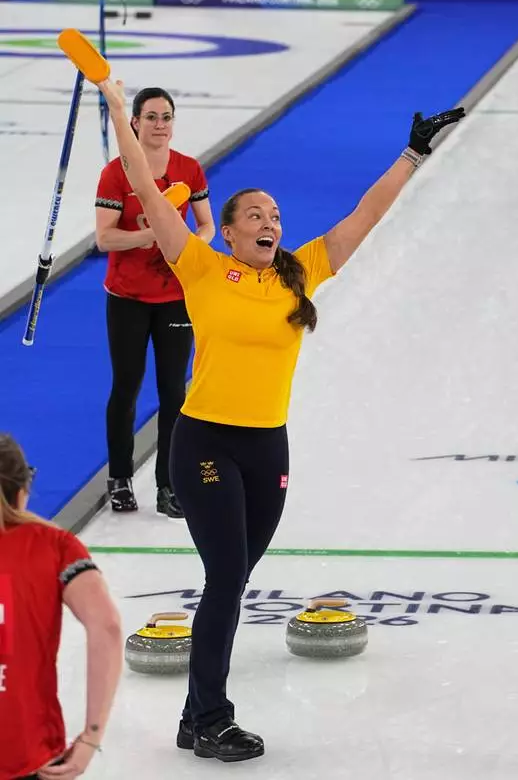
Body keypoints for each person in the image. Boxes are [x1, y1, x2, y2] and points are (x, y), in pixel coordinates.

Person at [94, 74, 464, 762]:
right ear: (228, 229)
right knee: (229, 578)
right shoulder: (199, 267)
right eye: (256, 216)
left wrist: (412, 154)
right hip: (204, 441)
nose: (271, 223)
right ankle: (210, 717)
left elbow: (364, 217)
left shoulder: (299, 271)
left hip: (269, 449)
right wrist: (119, 109)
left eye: (275, 216)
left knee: (229, 584)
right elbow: (146, 190)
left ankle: (193, 714)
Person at [95, 87, 214, 518]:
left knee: (174, 394)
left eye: (166, 117)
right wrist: (155, 235)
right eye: (151, 117)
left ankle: (168, 484)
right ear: (135, 123)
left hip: (174, 297)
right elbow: (104, 237)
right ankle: (120, 479)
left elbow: (206, 226)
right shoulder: (115, 174)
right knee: (126, 386)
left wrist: (187, 246)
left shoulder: (189, 169)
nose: (160, 125)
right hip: (127, 296)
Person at [0, 433, 124, 780]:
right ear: (22, 487)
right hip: (25, 750)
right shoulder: (54, 546)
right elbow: (107, 626)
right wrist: (92, 735)